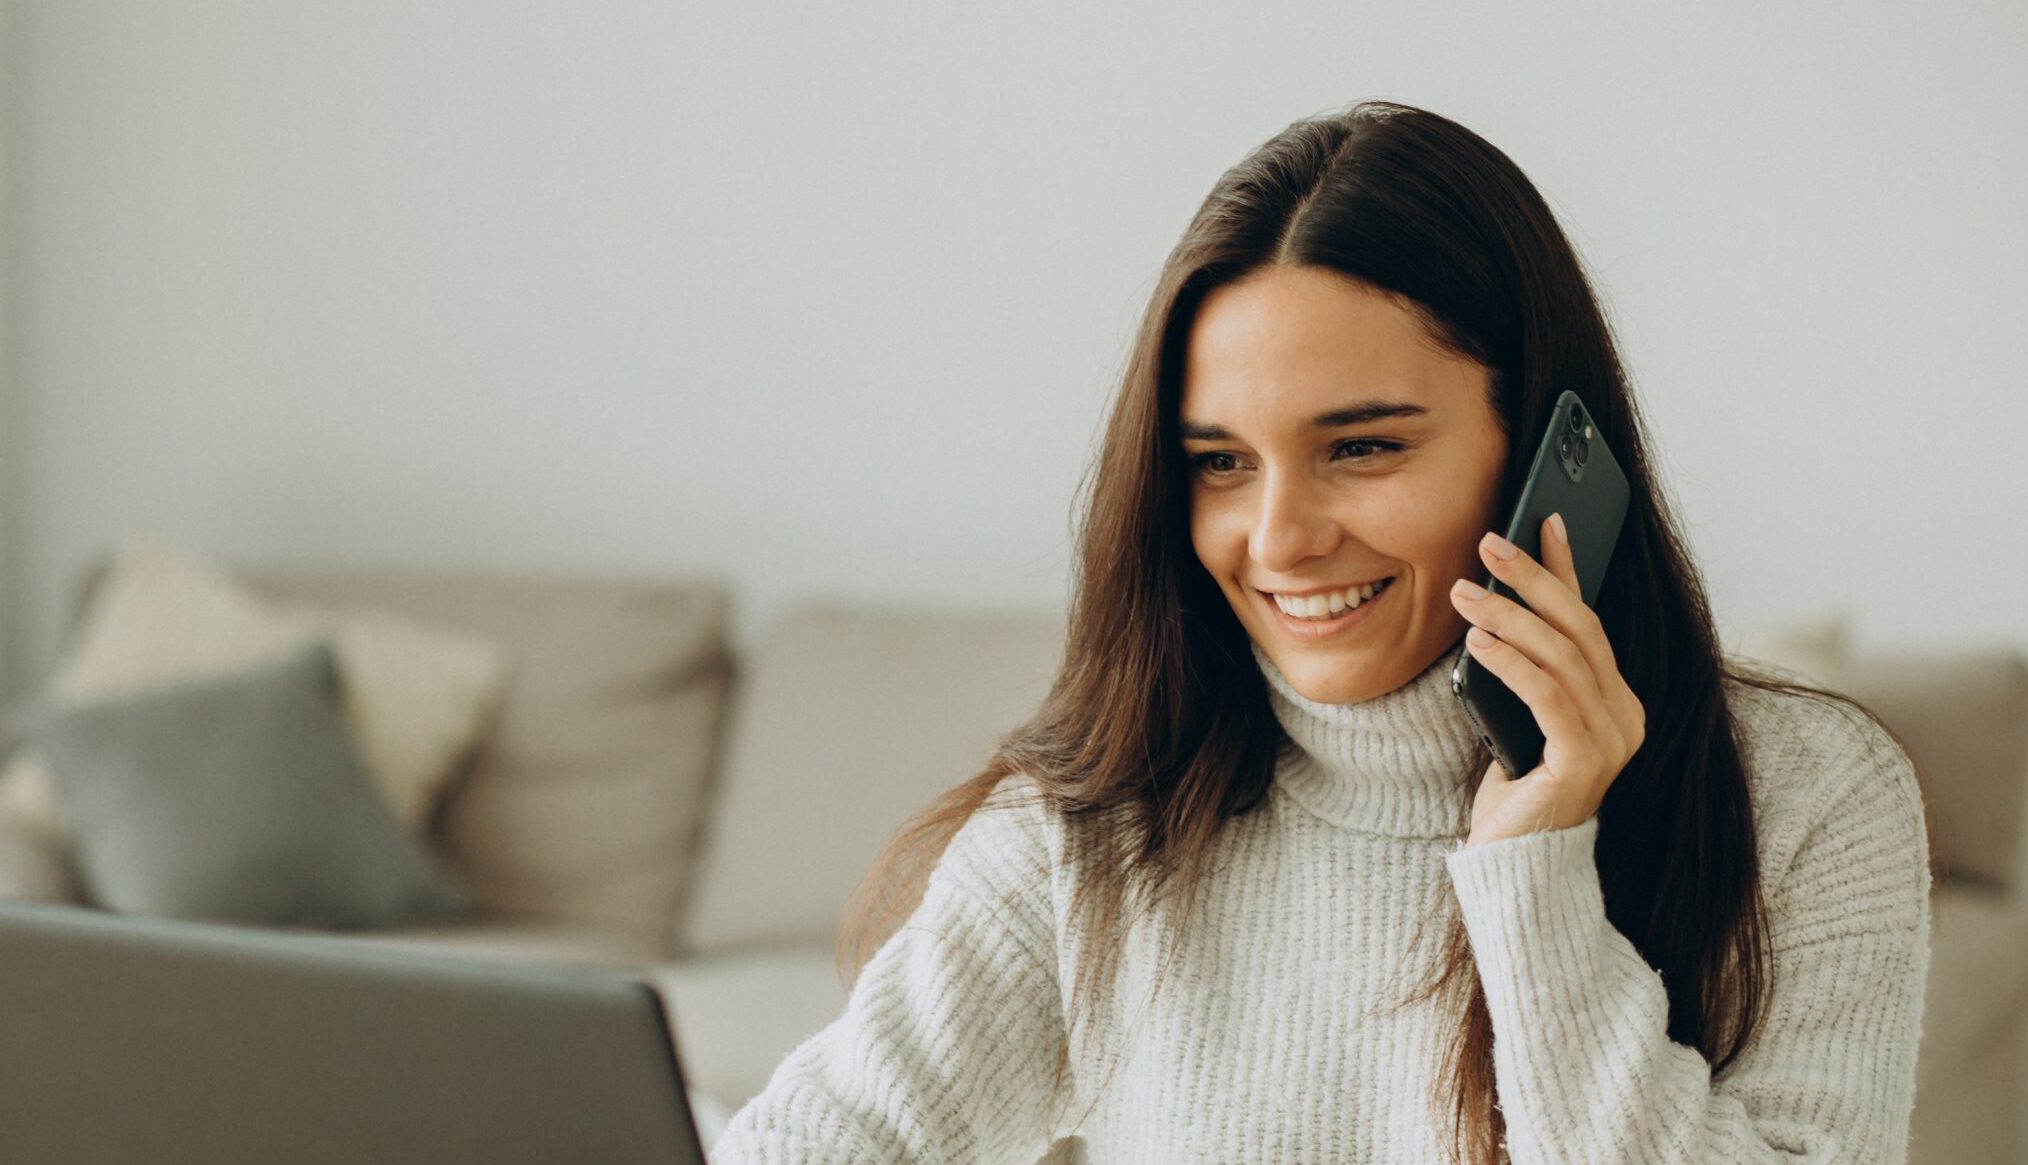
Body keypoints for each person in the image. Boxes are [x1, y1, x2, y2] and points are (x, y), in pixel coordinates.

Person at [705, 99, 1932, 1165]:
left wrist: (1536, 876)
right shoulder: (1101, 823)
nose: (1279, 538)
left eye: (1362, 446)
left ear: (1546, 446)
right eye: (1221, 464)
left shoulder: (1811, 796)